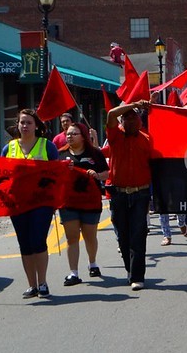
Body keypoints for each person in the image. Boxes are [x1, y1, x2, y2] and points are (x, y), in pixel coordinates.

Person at [0, 109, 59, 298]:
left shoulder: (47, 146)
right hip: (17, 203)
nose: (25, 126)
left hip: (41, 203)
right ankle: (32, 285)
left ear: (36, 125)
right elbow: (0, 175)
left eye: (29, 122)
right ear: (17, 125)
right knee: (25, 244)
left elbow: (58, 172)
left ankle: (43, 282)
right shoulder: (9, 148)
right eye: (22, 122)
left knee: (38, 241)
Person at [106, 100, 152, 291]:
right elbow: (110, 115)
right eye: (127, 117)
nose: (131, 120)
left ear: (140, 120)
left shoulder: (147, 139)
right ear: (122, 121)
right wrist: (134, 104)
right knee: (123, 237)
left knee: (138, 236)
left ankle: (137, 276)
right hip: (119, 194)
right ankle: (130, 269)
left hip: (140, 193)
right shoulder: (115, 136)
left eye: (134, 116)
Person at [58, 122, 109, 285]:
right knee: (72, 237)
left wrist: (97, 174)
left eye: (74, 134)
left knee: (90, 236)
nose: (69, 136)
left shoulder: (95, 153)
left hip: (90, 202)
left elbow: (106, 173)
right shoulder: (61, 154)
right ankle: (73, 272)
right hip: (68, 202)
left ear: (83, 136)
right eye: (68, 133)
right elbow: (53, 175)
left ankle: (92, 263)